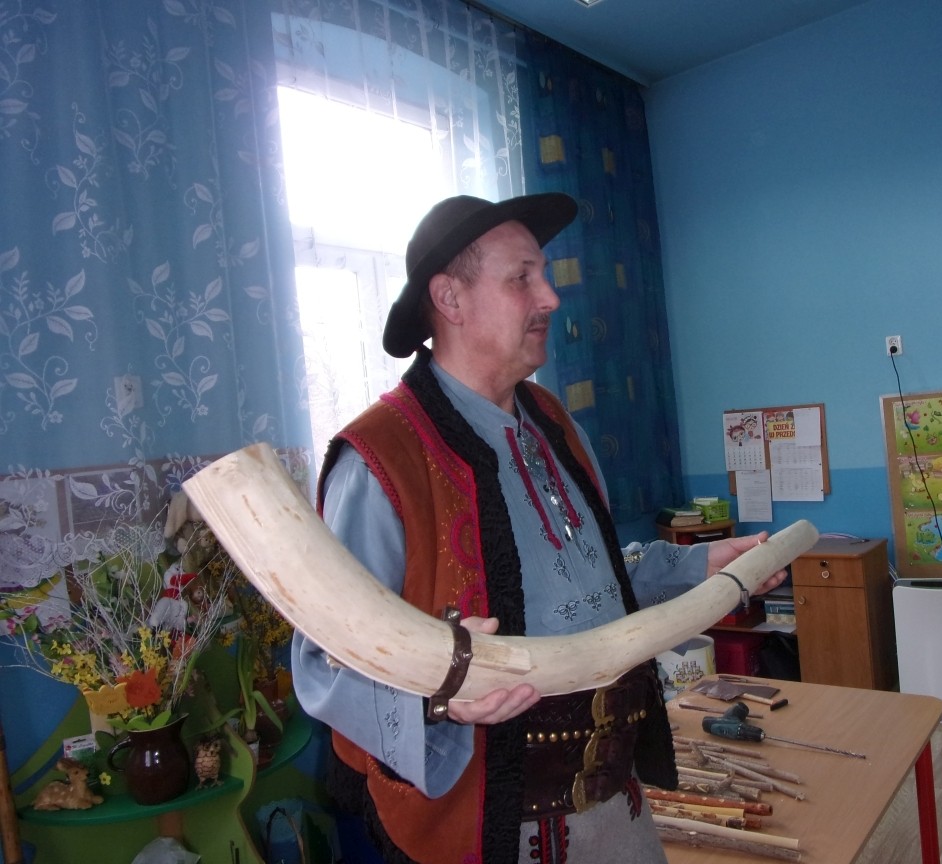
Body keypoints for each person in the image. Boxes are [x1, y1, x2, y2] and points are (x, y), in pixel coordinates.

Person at [292, 192, 788, 864]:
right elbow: (324, 661)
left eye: (544, 275)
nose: (550, 298)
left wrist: (701, 566)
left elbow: (587, 582)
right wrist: (442, 692)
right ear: (450, 298)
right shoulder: (382, 460)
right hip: (497, 829)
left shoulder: (555, 423)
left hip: (620, 803)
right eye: (522, 277)